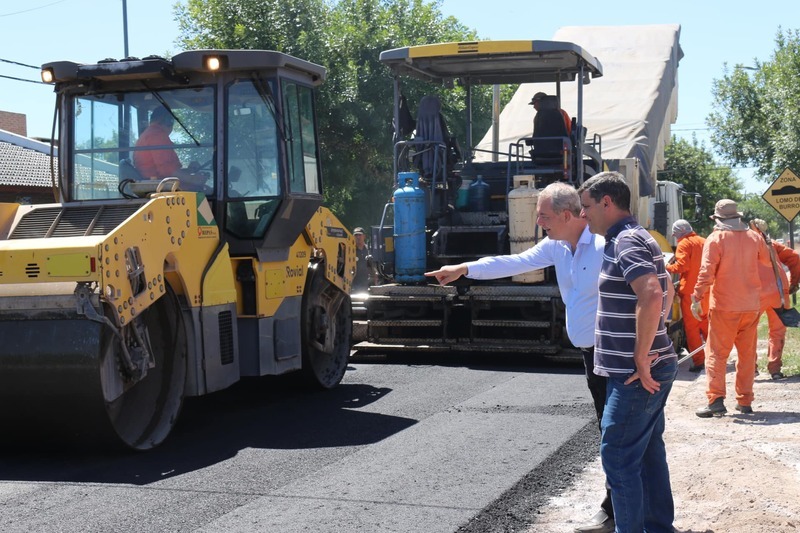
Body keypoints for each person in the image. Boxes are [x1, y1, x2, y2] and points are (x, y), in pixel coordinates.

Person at [425, 182, 614, 533]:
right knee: (610, 431)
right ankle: (626, 509)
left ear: (567, 214)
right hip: (592, 358)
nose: (538, 221)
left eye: (543, 215)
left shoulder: (604, 245)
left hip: (616, 355)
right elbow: (516, 261)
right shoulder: (557, 245)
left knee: (617, 435)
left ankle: (619, 512)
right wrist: (465, 268)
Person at [577, 171, 678, 533]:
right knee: (648, 454)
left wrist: (640, 354)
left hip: (636, 374)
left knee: (618, 457)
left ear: (607, 202)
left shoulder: (626, 240)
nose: (583, 215)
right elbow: (666, 285)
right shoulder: (634, 237)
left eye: (586, 207)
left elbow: (651, 293)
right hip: (645, 368)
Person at [692, 200, 770, 417]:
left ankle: (716, 400)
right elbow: (766, 260)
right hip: (751, 306)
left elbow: (706, 272)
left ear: (717, 219)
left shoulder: (716, 238)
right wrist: (764, 236)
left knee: (716, 354)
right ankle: (745, 401)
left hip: (725, 307)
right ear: (738, 217)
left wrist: (696, 296)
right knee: (747, 355)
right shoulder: (754, 237)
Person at [750, 218, 800, 380]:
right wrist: (793, 284)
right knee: (777, 331)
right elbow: (795, 258)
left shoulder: (744, 243)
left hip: (755, 292)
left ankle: (751, 369)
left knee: (748, 331)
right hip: (779, 291)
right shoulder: (771, 244)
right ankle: (775, 369)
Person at [665, 219, 709, 372]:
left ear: (680, 232)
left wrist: (666, 266)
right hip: (707, 291)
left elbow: (682, 266)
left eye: (675, 233)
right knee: (706, 324)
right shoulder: (704, 241)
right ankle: (715, 357)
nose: (674, 236)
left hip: (690, 293)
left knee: (692, 329)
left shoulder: (684, 243)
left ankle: (699, 361)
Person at [133, 106, 207, 190]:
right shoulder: (158, 135)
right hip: (161, 187)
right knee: (206, 191)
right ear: (168, 121)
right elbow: (166, 170)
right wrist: (193, 179)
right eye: (172, 121)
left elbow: (167, 170)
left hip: (157, 184)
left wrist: (189, 171)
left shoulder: (148, 134)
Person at [352, 227, 371, 292]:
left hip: (367, 282)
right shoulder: (350, 250)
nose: (358, 237)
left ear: (364, 236)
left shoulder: (369, 250)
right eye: (356, 235)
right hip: (354, 282)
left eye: (360, 235)